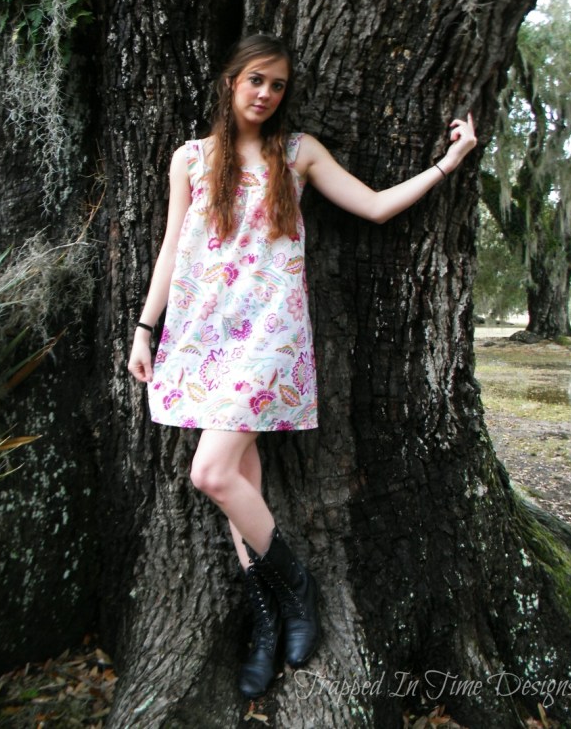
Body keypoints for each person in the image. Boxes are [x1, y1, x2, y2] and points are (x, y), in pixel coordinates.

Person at [128, 34, 477, 698]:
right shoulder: (191, 160)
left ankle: (298, 586)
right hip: (203, 338)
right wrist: (146, 328)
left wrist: (449, 161)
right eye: (255, 79)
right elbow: (172, 250)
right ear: (232, 81)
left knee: (209, 471)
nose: (265, 93)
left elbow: (373, 205)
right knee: (237, 477)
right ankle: (266, 621)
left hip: (269, 339)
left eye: (277, 84)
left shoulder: (299, 152)